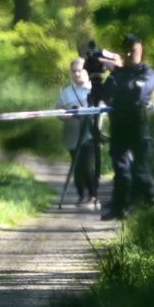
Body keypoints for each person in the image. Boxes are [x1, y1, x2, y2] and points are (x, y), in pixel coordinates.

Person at [94, 32, 154, 220]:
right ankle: (119, 208)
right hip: (119, 125)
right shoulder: (117, 73)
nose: (130, 55)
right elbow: (105, 94)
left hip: (138, 125)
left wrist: (120, 88)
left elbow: (139, 93)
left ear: (141, 49)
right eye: (127, 52)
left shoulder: (146, 72)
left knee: (141, 171)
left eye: (133, 51)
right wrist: (112, 76)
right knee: (121, 170)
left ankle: (153, 206)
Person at [58, 57, 101, 207]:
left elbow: (103, 111)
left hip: (91, 134)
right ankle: (81, 195)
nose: (77, 74)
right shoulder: (67, 93)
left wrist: (86, 112)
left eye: (80, 70)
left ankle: (93, 194)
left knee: (87, 164)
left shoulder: (95, 89)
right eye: (74, 71)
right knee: (77, 166)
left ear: (86, 71)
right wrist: (69, 114)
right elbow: (58, 112)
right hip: (72, 135)